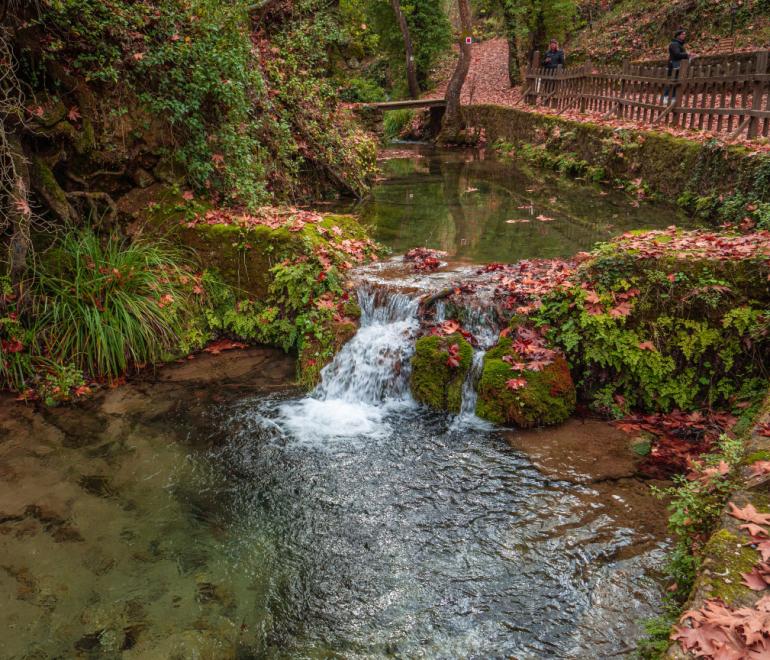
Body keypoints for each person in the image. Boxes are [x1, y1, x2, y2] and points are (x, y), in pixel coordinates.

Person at [663, 29, 694, 104]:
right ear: (678, 35)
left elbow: (681, 55)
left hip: (678, 65)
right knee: (672, 81)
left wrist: (689, 56)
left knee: (676, 81)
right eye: (683, 34)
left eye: (684, 34)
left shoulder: (680, 44)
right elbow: (677, 54)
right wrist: (687, 55)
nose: (684, 36)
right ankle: (666, 97)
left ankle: (673, 98)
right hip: (673, 66)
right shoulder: (674, 44)